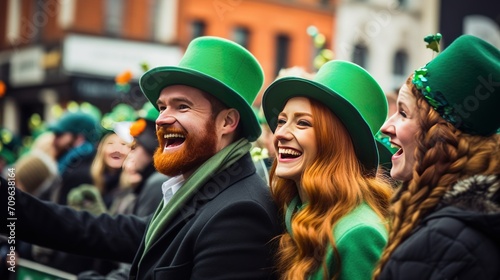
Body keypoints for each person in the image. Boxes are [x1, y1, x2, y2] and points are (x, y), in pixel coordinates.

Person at [0, 36, 281, 279]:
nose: (161, 119)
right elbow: (104, 233)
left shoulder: (240, 212)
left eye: (182, 107)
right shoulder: (193, 191)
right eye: (161, 107)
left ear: (227, 122)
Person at [373, 34, 500, 279]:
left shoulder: (446, 241)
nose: (386, 128)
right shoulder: (452, 226)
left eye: (403, 113)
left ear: (441, 136)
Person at [262, 60, 393, 279]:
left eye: (302, 123)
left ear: (336, 143)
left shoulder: (359, 233)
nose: (280, 134)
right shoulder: (294, 210)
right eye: (282, 121)